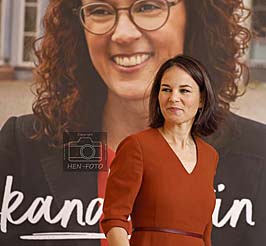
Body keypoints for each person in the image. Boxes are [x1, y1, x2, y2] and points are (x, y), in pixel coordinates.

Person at [0, 0, 265, 245]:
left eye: (148, 6)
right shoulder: (24, 149)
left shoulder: (257, 155)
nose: (123, 34)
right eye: (100, 10)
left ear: (194, 16)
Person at [101, 54, 222, 246]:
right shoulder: (137, 146)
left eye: (184, 90)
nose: (174, 98)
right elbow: (114, 219)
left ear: (201, 100)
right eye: (166, 89)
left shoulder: (210, 156)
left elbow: (206, 233)